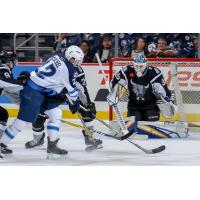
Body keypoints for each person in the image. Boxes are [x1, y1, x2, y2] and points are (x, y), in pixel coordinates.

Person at [0, 45, 83, 158]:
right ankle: (1, 144)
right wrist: (75, 102)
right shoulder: (70, 69)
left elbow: (53, 77)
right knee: (22, 122)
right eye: (75, 59)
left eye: (78, 60)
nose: (77, 62)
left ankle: (52, 146)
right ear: (69, 56)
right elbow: (72, 91)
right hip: (33, 92)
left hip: (38, 89)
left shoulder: (56, 56)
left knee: (56, 113)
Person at [107, 54, 175, 122]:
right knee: (133, 129)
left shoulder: (154, 73)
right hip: (134, 107)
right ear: (133, 64)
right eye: (136, 66)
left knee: (150, 129)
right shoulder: (127, 70)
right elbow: (115, 82)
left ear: (146, 64)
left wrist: (167, 102)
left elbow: (163, 92)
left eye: (141, 66)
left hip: (151, 107)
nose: (138, 68)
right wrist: (114, 93)